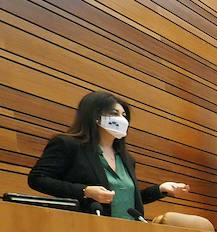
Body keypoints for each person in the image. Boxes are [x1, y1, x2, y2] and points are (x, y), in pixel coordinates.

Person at [28, 90, 190, 220]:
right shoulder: (68, 145)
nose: (122, 120)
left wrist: (161, 189)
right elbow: (37, 179)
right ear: (96, 117)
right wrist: (85, 191)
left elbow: (126, 200)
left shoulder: (126, 158)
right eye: (115, 113)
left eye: (124, 115)